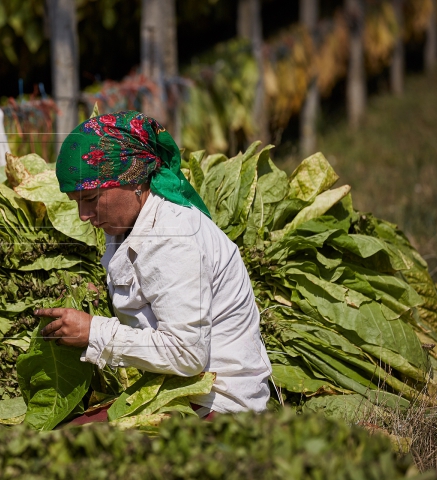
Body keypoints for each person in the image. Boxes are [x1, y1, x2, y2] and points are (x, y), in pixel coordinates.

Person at [36, 111, 272, 420]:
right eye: (76, 202)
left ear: (132, 180)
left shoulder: (171, 236)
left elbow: (187, 353)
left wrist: (94, 332)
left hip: (219, 405)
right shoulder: (128, 223)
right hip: (182, 393)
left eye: (91, 198)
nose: (83, 214)